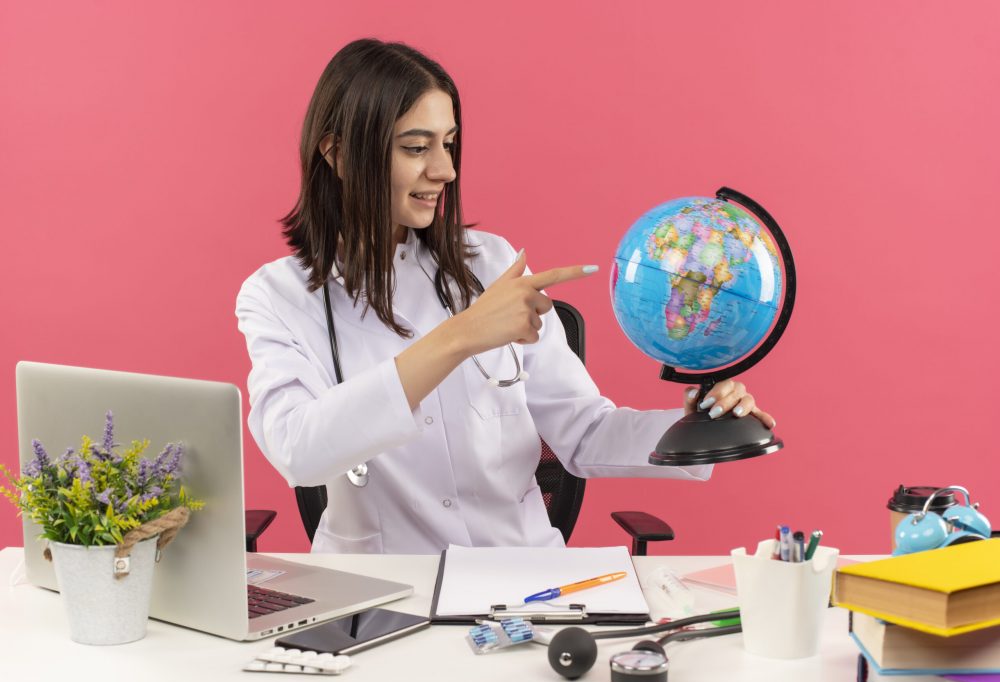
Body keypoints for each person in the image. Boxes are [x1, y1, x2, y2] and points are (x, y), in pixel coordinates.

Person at [236, 39, 775, 554]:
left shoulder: (491, 265)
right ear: (338, 153)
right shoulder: (279, 296)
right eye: (416, 148)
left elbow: (584, 433)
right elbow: (298, 451)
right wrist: (461, 336)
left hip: (519, 577)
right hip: (385, 586)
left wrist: (695, 427)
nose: (445, 170)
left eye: (448, 144)